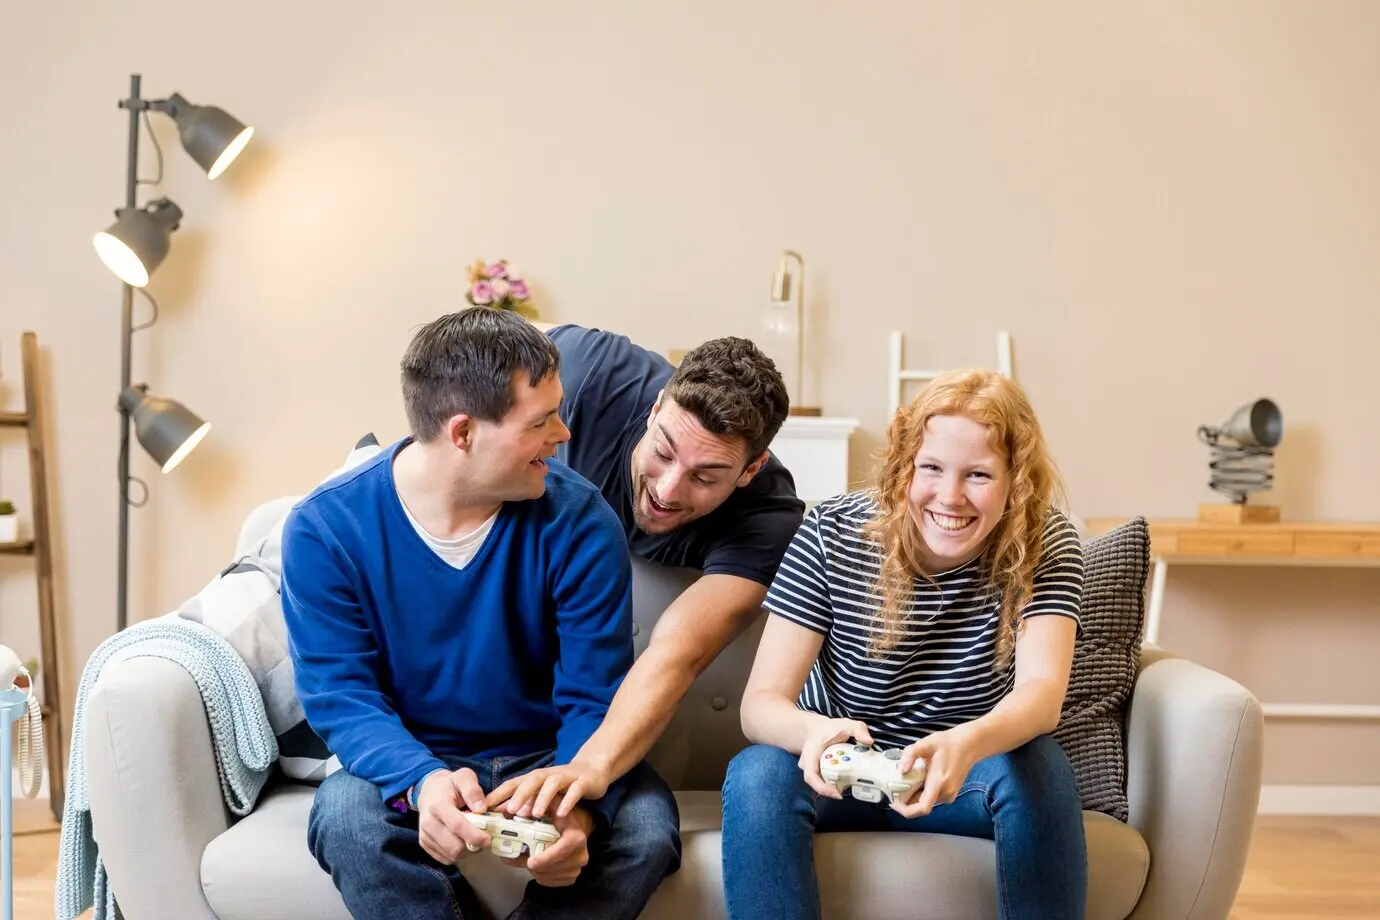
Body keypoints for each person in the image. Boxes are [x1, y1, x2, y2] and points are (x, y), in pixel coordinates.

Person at [280, 308, 681, 920]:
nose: (564, 435)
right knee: (346, 820)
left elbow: (593, 694)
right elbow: (342, 695)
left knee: (648, 829)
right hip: (417, 753)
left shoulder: (581, 521)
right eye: (542, 420)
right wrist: (421, 780)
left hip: (549, 757)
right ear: (462, 432)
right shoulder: (324, 529)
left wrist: (573, 802)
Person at [720, 368, 1088, 920]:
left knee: (1040, 768)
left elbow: (1041, 693)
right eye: (932, 468)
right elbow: (760, 704)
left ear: (1017, 480)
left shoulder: (1045, 540)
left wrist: (967, 743)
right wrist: (816, 733)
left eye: (979, 475)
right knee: (756, 773)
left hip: (960, 774)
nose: (950, 496)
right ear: (904, 467)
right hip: (842, 770)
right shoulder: (832, 531)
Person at [485, 322, 806, 821]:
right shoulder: (586, 372)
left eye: (705, 476)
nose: (669, 490)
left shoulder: (767, 515)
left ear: (750, 469)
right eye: (662, 452)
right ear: (655, 409)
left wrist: (589, 770)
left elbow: (676, 653)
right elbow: (470, 366)